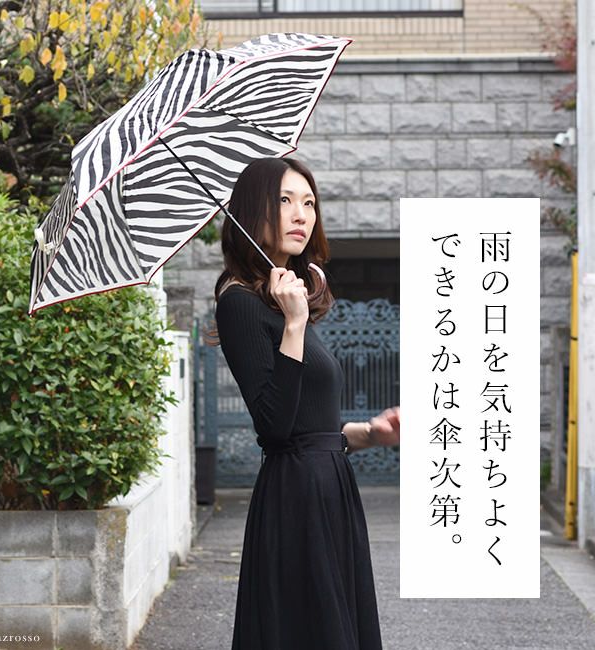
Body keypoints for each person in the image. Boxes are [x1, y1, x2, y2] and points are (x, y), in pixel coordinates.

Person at [213, 157, 400, 650]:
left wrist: (369, 433)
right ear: (253, 210)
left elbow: (311, 426)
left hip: (330, 488)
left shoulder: (278, 298)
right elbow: (275, 427)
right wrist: (294, 325)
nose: (302, 214)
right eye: (285, 200)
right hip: (296, 500)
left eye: (310, 202)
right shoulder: (239, 303)